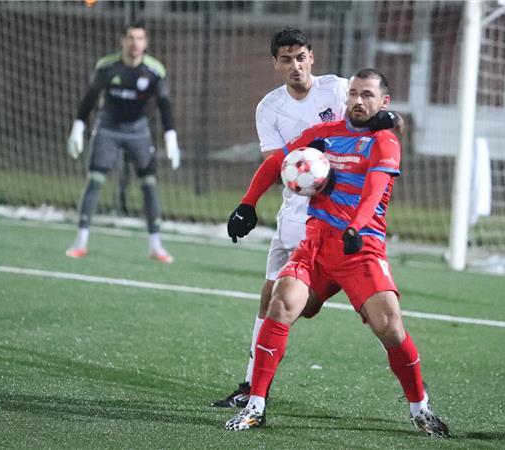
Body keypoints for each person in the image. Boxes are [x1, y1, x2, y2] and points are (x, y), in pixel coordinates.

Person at [224, 69, 450, 438]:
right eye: (354, 93)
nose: (358, 101)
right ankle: (256, 406)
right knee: (281, 303)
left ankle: (420, 407)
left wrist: (356, 228)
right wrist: (248, 203)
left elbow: (374, 191)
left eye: (367, 95)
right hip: (315, 246)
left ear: (383, 102)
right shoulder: (324, 134)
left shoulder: (384, 142)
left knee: (389, 326)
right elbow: (276, 162)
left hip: (360, 249)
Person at [211, 28, 401, 408]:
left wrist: (388, 119)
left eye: (301, 57)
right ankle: (251, 386)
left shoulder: (337, 89)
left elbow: (374, 118)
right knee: (273, 299)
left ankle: (413, 387)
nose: (295, 66)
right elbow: (278, 163)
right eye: (286, 59)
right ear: (276, 64)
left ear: (311, 57)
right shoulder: (269, 108)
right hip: (294, 215)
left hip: (339, 217)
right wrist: (249, 204)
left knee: (364, 313)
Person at [65, 21, 180, 263]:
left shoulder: (154, 71)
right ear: (122, 41)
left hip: (139, 132)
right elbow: (89, 98)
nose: (134, 43)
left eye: (139, 38)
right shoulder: (107, 67)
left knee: (149, 184)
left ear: (146, 43)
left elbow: (164, 105)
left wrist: (171, 138)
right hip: (107, 129)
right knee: (94, 180)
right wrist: (78, 127)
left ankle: (156, 246)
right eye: (130, 38)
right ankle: (80, 242)